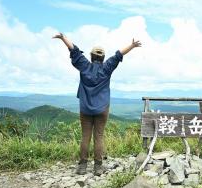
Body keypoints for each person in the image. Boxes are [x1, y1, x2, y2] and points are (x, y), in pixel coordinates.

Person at [53, 32, 142, 175]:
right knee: (99, 136)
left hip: (85, 108)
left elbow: (74, 51)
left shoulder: (85, 66)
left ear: (91, 56)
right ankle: (98, 167)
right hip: (102, 109)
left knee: (85, 137)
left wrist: (63, 38)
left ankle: (82, 167)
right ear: (103, 58)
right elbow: (118, 55)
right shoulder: (107, 68)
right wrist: (132, 46)